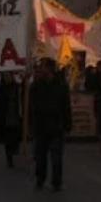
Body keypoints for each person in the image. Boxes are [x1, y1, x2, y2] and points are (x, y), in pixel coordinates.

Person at [30, 58, 72, 192]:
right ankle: (40, 179)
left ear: (50, 68)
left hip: (56, 126)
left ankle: (56, 182)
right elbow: (31, 106)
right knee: (40, 157)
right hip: (41, 127)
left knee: (56, 157)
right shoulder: (36, 85)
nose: (40, 69)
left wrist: (67, 124)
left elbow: (66, 106)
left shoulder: (61, 85)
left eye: (42, 66)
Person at [0, 72, 23, 168]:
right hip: (5, 118)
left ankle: (14, 150)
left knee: (15, 136)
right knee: (8, 139)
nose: (7, 78)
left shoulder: (18, 88)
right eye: (5, 76)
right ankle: (9, 159)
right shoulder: (0, 90)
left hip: (16, 116)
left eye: (8, 76)